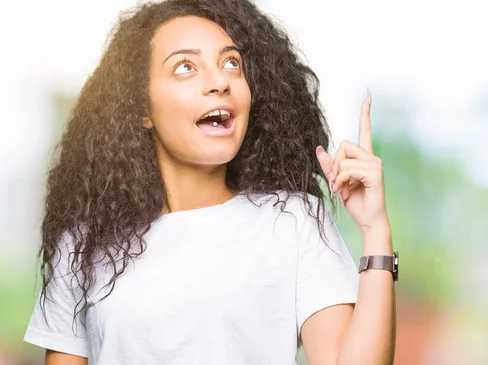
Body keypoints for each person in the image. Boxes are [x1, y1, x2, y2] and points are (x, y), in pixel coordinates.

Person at [23, 0, 396, 364]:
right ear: (141, 110)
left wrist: (375, 229)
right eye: (186, 67)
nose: (220, 81)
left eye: (231, 63)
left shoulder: (294, 220)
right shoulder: (82, 247)